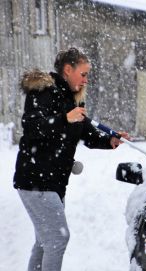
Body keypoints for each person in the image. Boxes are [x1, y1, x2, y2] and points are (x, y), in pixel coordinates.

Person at [13, 47, 128, 271]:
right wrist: (65, 118)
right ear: (68, 70)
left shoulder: (72, 99)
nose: (86, 80)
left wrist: (109, 140)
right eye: (83, 74)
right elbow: (31, 126)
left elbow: (85, 131)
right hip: (36, 180)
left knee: (45, 241)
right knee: (57, 239)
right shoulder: (44, 91)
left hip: (53, 184)